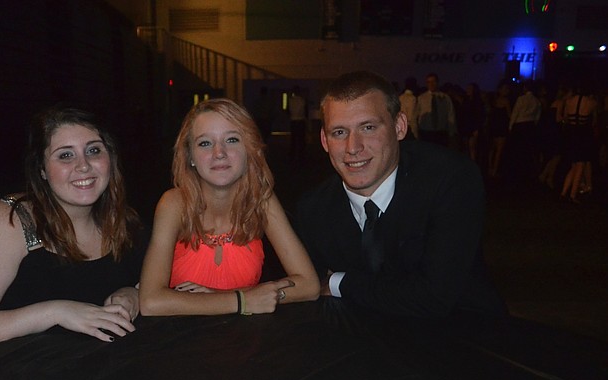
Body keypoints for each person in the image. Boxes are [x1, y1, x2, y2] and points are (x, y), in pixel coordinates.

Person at [295, 70, 506, 318]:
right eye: (339, 132)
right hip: (361, 346)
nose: (353, 148)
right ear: (324, 140)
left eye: (368, 127)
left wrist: (337, 283)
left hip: (466, 336)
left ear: (399, 127)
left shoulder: (449, 179)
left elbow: (434, 297)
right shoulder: (313, 209)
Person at [0, 106, 144, 346]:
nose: (84, 165)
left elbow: (152, 287)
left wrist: (133, 295)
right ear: (42, 171)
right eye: (65, 155)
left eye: (93, 151)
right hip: (16, 376)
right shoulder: (7, 220)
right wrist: (55, 312)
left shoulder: (124, 221)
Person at [139, 98, 319, 316]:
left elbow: (309, 285)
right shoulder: (174, 204)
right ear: (190, 157)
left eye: (232, 140)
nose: (219, 153)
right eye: (205, 143)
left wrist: (229, 296)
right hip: (183, 341)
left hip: (244, 342)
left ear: (249, 150)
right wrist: (242, 301)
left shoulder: (261, 200)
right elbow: (150, 302)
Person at [560, 82, 599, 203]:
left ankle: (564, 192)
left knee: (574, 164)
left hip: (571, 133)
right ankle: (572, 194)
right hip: (583, 134)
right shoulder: (591, 103)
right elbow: (594, 121)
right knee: (580, 165)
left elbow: (565, 118)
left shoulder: (569, 102)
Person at [417, 72, 457, 147]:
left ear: (437, 83)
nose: (431, 84)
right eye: (429, 82)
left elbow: (451, 115)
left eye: (433, 82)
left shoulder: (445, 98)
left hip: (441, 132)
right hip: (426, 132)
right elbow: (416, 115)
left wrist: (452, 132)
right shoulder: (421, 98)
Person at [287, 85, 308, 162]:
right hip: (301, 121)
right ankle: (301, 156)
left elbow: (287, 111)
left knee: (294, 140)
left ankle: (292, 155)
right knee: (301, 140)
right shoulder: (302, 100)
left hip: (293, 121)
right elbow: (306, 111)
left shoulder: (290, 100)